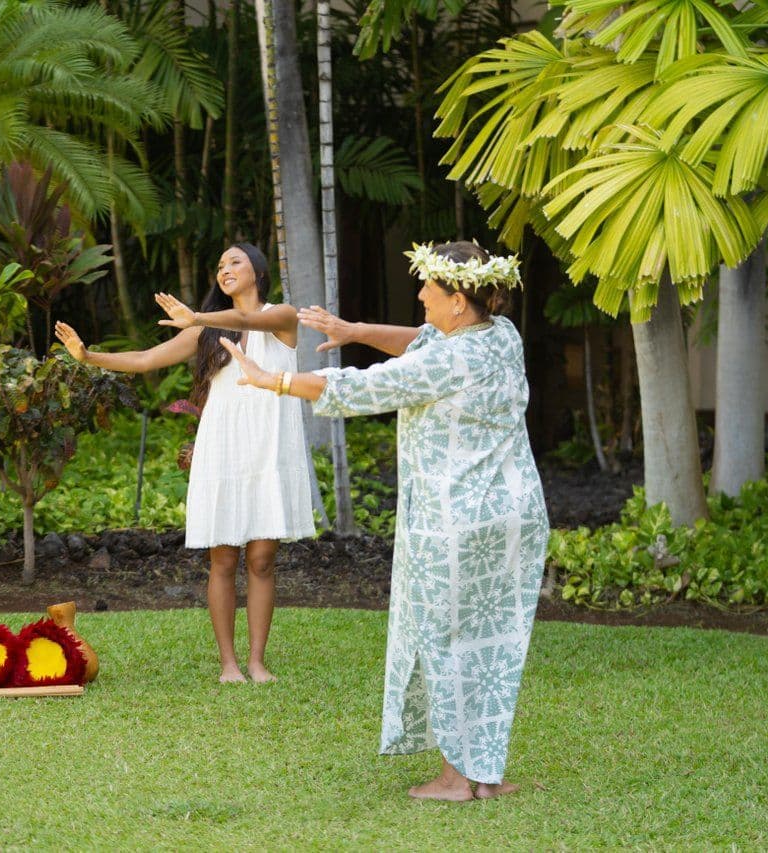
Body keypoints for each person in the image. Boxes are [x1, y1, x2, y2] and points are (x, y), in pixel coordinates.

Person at [219, 240, 548, 800]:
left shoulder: (445, 362)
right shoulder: (501, 336)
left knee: (445, 640)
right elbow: (420, 340)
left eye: (429, 288)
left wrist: (272, 380)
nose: (419, 295)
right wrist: (354, 331)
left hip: (454, 523)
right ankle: (485, 774)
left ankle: (457, 779)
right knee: (490, 646)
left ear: (458, 303)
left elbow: (365, 387)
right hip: (512, 517)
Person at [54, 243, 314, 684]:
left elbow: (247, 320)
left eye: (234, 261)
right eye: (220, 265)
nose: (224, 269)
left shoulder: (282, 317)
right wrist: (88, 357)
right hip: (223, 448)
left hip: (270, 449)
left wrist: (198, 317)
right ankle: (229, 664)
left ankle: (257, 661)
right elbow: (145, 359)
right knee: (223, 558)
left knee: (263, 559)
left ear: (258, 271)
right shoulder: (204, 330)